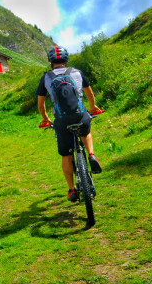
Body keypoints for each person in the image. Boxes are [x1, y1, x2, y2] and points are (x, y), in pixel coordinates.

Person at [36, 45, 103, 202]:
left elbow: (41, 105)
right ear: (66, 60)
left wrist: (46, 119)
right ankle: (92, 155)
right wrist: (93, 108)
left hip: (61, 121)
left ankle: (72, 190)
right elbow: (90, 93)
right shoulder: (77, 72)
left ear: (50, 62)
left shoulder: (46, 77)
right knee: (86, 133)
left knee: (66, 156)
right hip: (80, 116)